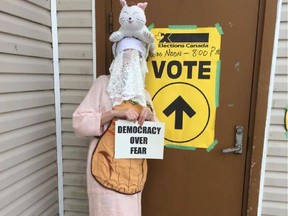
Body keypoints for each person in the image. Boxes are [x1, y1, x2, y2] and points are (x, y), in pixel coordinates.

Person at [72, 37, 157, 216]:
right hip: (105, 169)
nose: (130, 62)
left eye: (136, 58)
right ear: (117, 58)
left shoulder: (144, 96)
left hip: (133, 172)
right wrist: (114, 113)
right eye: (125, 56)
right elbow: (79, 123)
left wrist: (148, 117)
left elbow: (155, 139)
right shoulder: (103, 84)